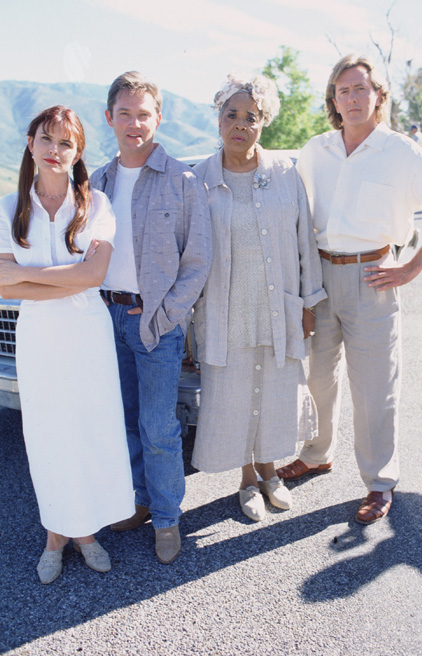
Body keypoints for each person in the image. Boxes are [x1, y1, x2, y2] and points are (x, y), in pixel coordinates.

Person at [276, 54, 422, 525]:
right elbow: (297, 218)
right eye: (343, 90)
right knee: (318, 378)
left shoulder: (403, 153)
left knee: (375, 389)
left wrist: (409, 270)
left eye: (361, 88)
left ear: (379, 96)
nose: (352, 97)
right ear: (334, 100)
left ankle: (379, 482)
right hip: (321, 277)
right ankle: (318, 452)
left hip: (374, 277)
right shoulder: (314, 150)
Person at [0, 106, 135, 583]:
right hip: (39, 338)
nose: (54, 151)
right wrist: (63, 281)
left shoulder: (95, 204)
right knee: (47, 435)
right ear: (30, 144)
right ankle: (57, 534)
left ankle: (86, 531)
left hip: (86, 335)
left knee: (88, 430)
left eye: (66, 143)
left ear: (78, 152)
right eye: (46, 140)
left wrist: (25, 273)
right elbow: (3, 287)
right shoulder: (7, 208)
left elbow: (94, 276)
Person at [191, 74, 327, 522]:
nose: (240, 124)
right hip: (225, 308)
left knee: (274, 390)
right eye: (231, 114)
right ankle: (247, 479)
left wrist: (309, 303)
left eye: (251, 116)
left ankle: (272, 474)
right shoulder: (199, 180)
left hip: (277, 304)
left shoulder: (286, 175)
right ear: (219, 120)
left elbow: (305, 242)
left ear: (263, 123)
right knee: (232, 394)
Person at [91, 72, 212, 564]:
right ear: (109, 118)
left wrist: (165, 317)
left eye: (144, 114)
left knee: (159, 425)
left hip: (155, 325)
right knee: (122, 419)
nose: (134, 124)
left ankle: (167, 519)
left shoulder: (182, 180)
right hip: (105, 319)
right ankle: (139, 500)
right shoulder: (96, 182)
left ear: (158, 118)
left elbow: (198, 261)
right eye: (125, 113)